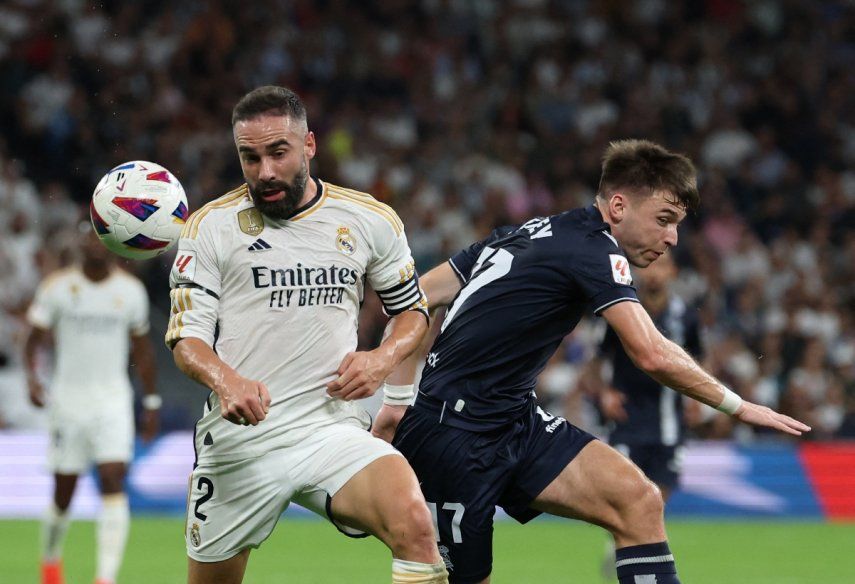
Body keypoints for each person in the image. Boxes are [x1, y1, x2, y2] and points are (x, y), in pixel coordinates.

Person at [374, 139, 810, 584]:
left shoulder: (528, 231)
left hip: (514, 423)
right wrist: (740, 406)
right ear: (618, 205)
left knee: (637, 500)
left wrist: (395, 400)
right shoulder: (594, 248)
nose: (672, 238)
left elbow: (416, 297)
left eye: (677, 224)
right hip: (452, 437)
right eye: (664, 220)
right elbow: (651, 354)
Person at [166, 85, 447, 584]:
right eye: (249, 158)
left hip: (330, 430)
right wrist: (226, 380)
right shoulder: (210, 227)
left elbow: (413, 313)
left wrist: (383, 357)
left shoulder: (368, 220)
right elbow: (187, 341)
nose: (265, 172)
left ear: (310, 145)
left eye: (278, 152)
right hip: (241, 443)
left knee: (416, 525)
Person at [24, 225, 159, 584]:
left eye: (100, 240)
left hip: (113, 401)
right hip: (68, 402)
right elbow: (33, 339)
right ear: (78, 245)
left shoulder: (130, 292)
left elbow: (142, 351)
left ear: (114, 247)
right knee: (63, 494)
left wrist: (151, 401)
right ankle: (51, 561)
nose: (94, 246)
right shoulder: (57, 288)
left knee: (114, 478)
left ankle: (106, 577)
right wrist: (32, 379)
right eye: (87, 238)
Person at [585, 253, 702, 579]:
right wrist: (604, 393)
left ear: (673, 271)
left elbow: (697, 360)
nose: (654, 273)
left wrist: (697, 399)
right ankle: (628, 547)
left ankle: (627, 544)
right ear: (638, 271)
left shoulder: (685, 317)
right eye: (649, 266)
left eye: (662, 266)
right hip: (628, 420)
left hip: (669, 423)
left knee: (657, 495)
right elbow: (596, 361)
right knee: (629, 492)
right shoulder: (622, 310)